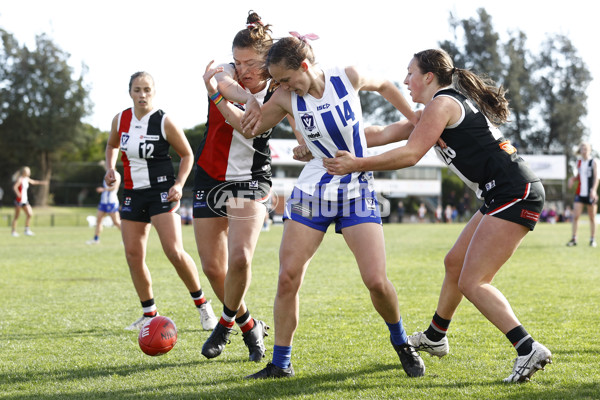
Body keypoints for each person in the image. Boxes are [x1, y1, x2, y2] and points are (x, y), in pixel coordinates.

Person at [203, 33, 425, 379]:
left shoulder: (346, 75)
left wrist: (416, 119)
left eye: (286, 79)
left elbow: (384, 86)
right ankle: (281, 363)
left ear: (305, 66)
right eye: (277, 81)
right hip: (312, 194)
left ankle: (401, 342)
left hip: (356, 190)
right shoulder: (285, 96)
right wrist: (217, 94)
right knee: (288, 276)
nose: (282, 86)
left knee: (376, 281)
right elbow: (248, 128)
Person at [323, 49, 552, 383]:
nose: (405, 81)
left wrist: (356, 164)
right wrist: (322, 145)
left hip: (511, 191)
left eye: (410, 73)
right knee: (454, 263)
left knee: (473, 282)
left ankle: (527, 347)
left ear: (428, 76)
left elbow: (411, 154)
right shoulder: (437, 108)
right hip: (501, 191)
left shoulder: (442, 105)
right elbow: (381, 133)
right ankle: (435, 335)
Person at [194, 11, 293, 363]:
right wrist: (244, 95)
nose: (242, 69)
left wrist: (303, 141)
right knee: (212, 267)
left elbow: (248, 127)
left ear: (268, 60)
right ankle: (249, 324)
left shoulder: (280, 88)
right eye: (237, 61)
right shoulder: (226, 70)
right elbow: (225, 84)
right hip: (209, 175)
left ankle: (224, 326)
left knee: (239, 258)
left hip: (250, 180)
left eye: (250, 63)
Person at [105, 71, 218, 331]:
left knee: (174, 252)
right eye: (137, 90)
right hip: (133, 193)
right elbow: (112, 146)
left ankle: (203, 306)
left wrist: (178, 185)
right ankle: (149, 313)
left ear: (153, 92)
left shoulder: (164, 121)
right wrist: (110, 168)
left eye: (146, 89)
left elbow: (187, 155)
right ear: (130, 92)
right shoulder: (120, 119)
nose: (142, 94)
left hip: (161, 193)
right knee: (133, 255)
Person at [566, 142, 598, 247]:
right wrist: (572, 179)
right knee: (575, 216)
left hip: (590, 194)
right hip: (580, 193)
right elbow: (579, 176)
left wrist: (593, 190)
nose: (583, 151)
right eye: (582, 149)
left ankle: (592, 239)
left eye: (585, 149)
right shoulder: (579, 162)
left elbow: (596, 178)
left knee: (592, 217)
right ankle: (574, 239)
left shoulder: (594, 162)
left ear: (589, 150)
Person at [87, 171, 122, 244]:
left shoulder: (116, 175)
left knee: (116, 222)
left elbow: (115, 187)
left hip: (111, 201)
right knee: (98, 220)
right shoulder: (107, 173)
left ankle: (127, 239)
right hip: (103, 201)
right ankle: (96, 239)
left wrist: (103, 189)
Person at [11, 166, 48, 237]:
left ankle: (27, 230)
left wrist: (42, 183)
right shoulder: (20, 179)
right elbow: (15, 187)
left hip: (25, 201)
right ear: (25, 172)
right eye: (28, 171)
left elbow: (34, 182)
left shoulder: (26, 179)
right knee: (16, 217)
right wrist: (18, 194)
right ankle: (13, 231)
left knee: (29, 214)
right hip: (19, 201)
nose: (29, 173)